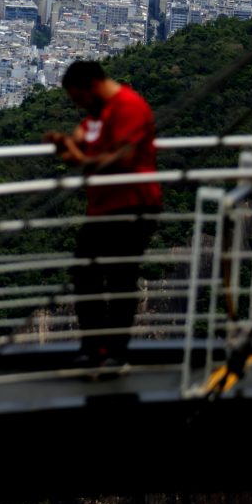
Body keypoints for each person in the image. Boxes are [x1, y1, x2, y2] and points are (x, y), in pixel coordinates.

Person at [45, 60, 162, 370]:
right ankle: (94, 346)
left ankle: (115, 352)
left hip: (134, 204)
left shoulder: (129, 106)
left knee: (121, 278)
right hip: (102, 207)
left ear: (92, 87)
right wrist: (64, 147)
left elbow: (118, 159)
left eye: (79, 98)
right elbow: (78, 147)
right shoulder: (95, 115)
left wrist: (81, 156)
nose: (79, 105)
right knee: (85, 274)